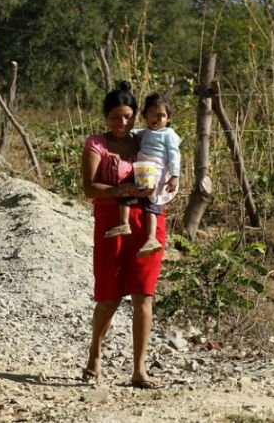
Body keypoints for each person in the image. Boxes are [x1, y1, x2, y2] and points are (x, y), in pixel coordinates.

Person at [80, 81, 167, 389]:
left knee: (144, 293)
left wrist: (170, 184)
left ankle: (139, 370)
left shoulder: (146, 141)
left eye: (128, 116)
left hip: (147, 222)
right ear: (106, 117)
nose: (123, 123)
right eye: (116, 116)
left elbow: (170, 162)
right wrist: (123, 190)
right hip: (110, 224)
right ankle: (94, 354)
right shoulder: (96, 145)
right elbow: (89, 187)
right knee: (109, 297)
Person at [104, 92, 180, 258]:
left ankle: (151, 238)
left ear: (168, 118)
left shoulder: (168, 134)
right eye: (152, 113)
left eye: (162, 115)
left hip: (157, 173)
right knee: (126, 189)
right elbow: (131, 132)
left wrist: (175, 175)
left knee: (151, 204)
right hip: (142, 170)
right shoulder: (145, 132)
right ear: (145, 115)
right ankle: (124, 223)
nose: (157, 118)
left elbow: (175, 155)